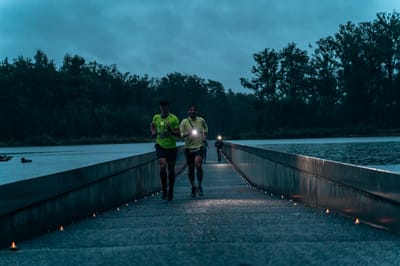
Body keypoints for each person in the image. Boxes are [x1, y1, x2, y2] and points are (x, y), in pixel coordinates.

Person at [150, 100, 180, 201]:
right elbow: (152, 124)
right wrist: (153, 132)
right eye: (161, 106)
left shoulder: (174, 118)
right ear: (160, 107)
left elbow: (178, 134)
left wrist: (171, 130)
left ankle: (170, 188)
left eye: (165, 106)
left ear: (168, 107)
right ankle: (164, 189)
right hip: (160, 145)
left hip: (171, 147)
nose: (163, 108)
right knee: (162, 166)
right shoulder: (156, 117)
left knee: (171, 170)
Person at [180, 104, 208, 198]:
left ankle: (199, 185)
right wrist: (187, 133)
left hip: (199, 146)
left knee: (198, 164)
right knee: (191, 169)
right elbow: (180, 134)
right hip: (188, 147)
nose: (193, 111)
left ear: (197, 112)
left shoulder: (201, 120)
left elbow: (205, 128)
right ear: (188, 111)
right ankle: (193, 187)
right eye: (191, 110)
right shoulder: (184, 122)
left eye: (195, 110)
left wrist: (204, 136)